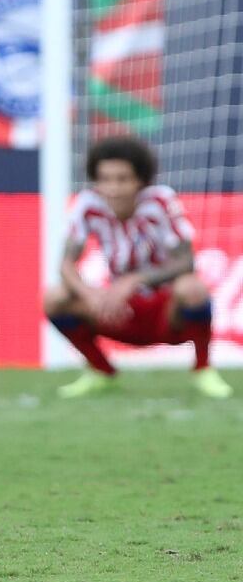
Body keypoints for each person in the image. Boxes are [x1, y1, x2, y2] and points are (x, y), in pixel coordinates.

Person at [44, 136, 233, 400]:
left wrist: (135, 280)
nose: (113, 188)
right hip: (120, 312)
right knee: (55, 297)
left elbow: (186, 261)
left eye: (122, 179)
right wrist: (91, 294)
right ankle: (101, 371)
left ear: (140, 180)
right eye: (105, 179)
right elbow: (65, 265)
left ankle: (203, 370)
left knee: (192, 288)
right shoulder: (88, 205)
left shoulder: (161, 202)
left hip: (166, 314)